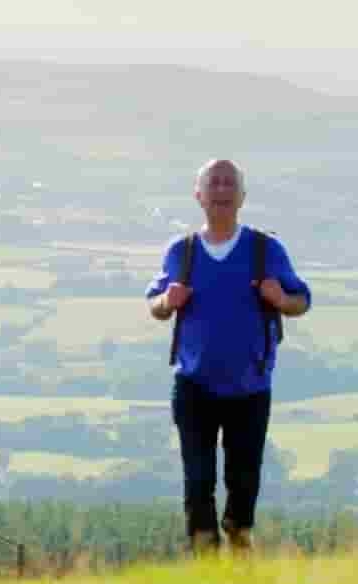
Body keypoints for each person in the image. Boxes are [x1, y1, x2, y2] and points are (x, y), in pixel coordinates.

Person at [144, 159, 312, 555]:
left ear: (242, 196)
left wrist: (280, 298)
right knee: (197, 480)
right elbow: (154, 303)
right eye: (212, 183)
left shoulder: (265, 249)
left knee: (244, 478)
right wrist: (167, 301)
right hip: (193, 385)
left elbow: (301, 300)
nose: (220, 190)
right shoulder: (180, 251)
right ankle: (204, 554)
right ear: (198, 194)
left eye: (228, 184)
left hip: (250, 387)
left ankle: (239, 543)